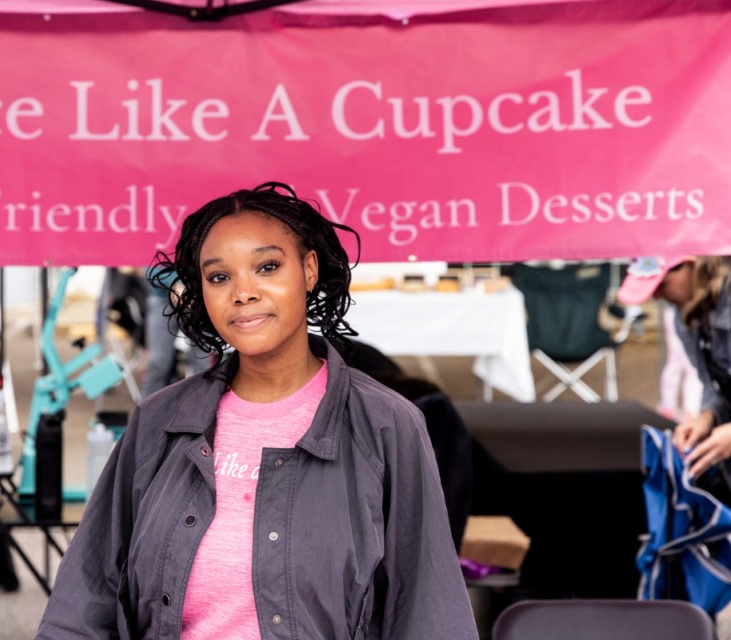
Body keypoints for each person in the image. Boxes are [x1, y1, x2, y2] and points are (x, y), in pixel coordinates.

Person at [37, 182, 477, 639]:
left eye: (267, 266)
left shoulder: (387, 426)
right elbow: (84, 602)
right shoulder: (158, 422)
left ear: (308, 270)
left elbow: (428, 612)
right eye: (219, 277)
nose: (243, 292)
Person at [618, 255, 731, 480]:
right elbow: (717, 385)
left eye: (661, 285)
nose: (658, 296)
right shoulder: (686, 316)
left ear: (692, 265)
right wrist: (708, 415)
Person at [141, 265, 212, 398]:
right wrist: (177, 282)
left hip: (198, 297)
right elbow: (149, 266)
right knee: (157, 364)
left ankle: (204, 410)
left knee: (202, 364)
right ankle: (147, 414)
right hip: (163, 298)